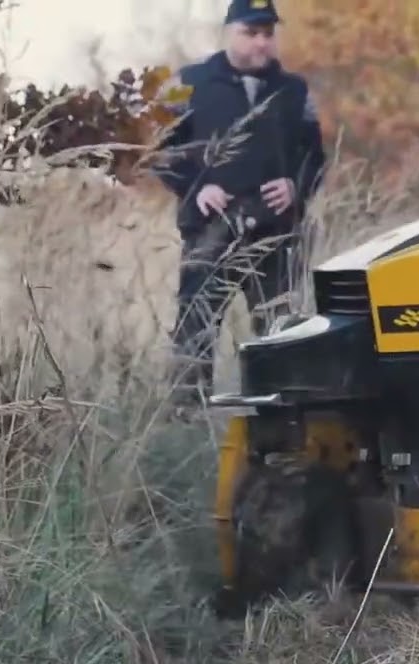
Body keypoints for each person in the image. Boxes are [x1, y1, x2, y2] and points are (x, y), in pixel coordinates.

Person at [151, 0, 326, 407]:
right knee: (196, 327)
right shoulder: (188, 83)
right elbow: (160, 154)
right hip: (211, 231)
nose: (261, 43)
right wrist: (198, 188)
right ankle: (186, 418)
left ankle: (279, 420)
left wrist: (296, 188)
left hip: (276, 233)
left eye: (268, 34)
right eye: (251, 33)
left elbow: (314, 155)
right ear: (229, 31)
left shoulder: (294, 90)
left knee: (281, 331)